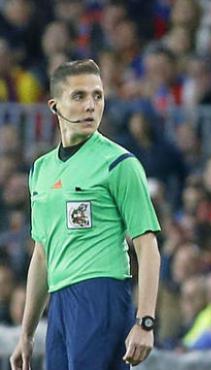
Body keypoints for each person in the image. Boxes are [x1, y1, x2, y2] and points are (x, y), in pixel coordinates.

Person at [10, 59, 161, 370]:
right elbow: (42, 254)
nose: (91, 105)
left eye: (98, 96)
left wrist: (145, 321)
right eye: (79, 96)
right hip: (60, 303)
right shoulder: (40, 169)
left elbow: (147, 247)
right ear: (54, 106)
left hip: (101, 294)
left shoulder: (119, 163)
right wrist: (26, 334)